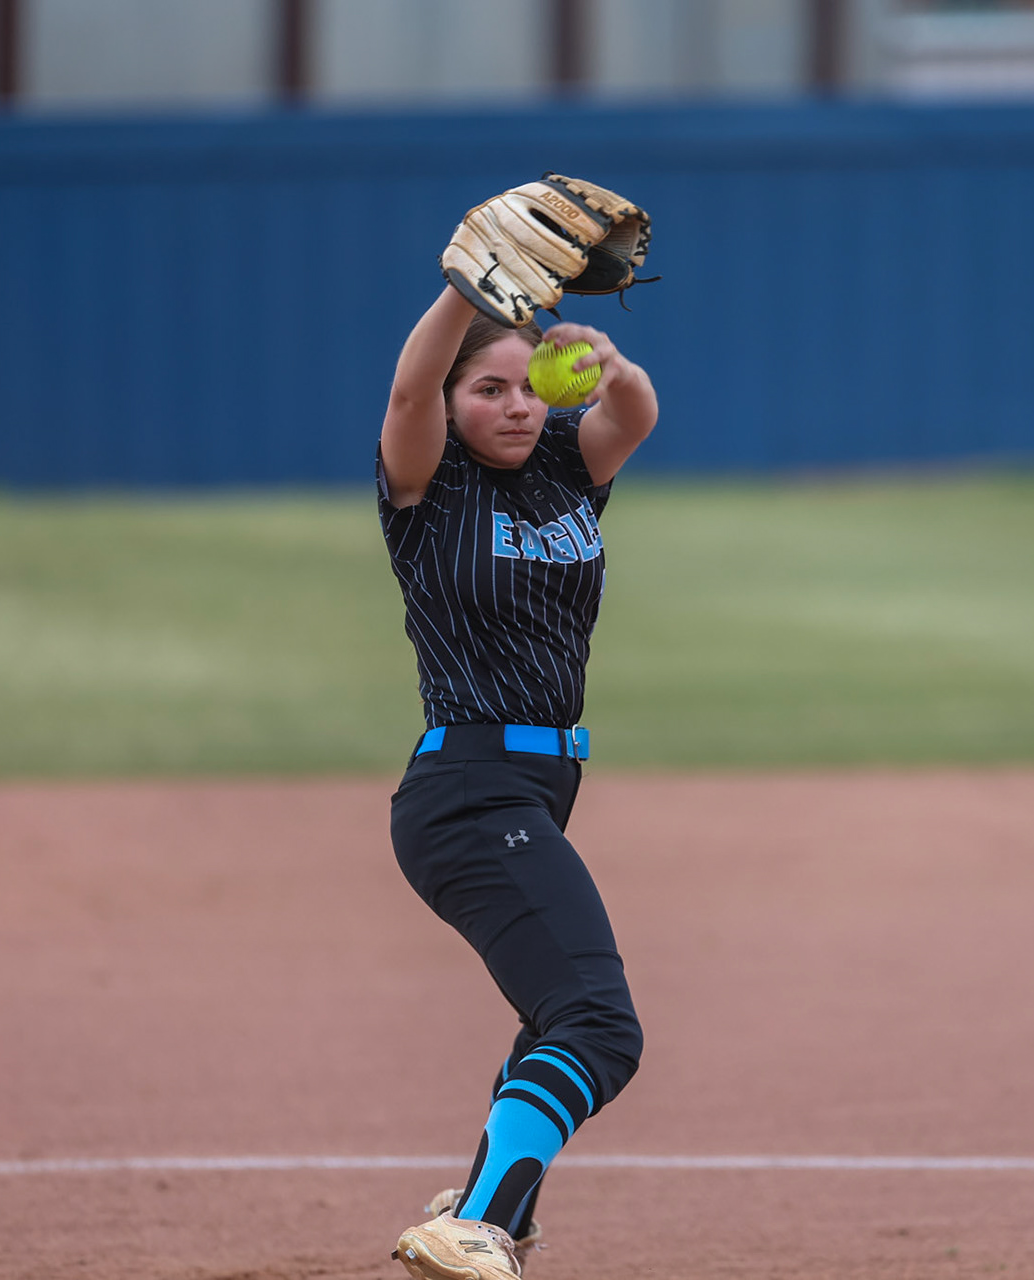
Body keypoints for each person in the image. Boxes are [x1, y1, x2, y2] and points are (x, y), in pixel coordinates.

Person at [377, 272, 658, 1280]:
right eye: (486, 389)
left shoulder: (561, 469)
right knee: (600, 1022)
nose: (514, 405)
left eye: (525, 386)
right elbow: (408, 397)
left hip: (532, 792)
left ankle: (506, 1214)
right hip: (466, 793)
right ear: (452, 403)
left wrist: (612, 365)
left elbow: (634, 415)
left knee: (556, 1012)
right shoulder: (429, 483)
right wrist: (465, 287)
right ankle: (477, 1225)